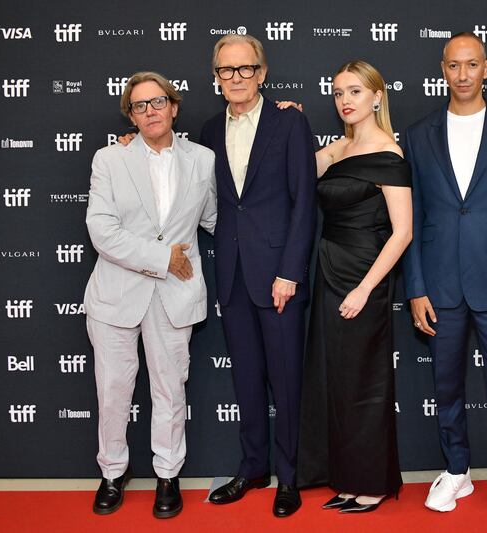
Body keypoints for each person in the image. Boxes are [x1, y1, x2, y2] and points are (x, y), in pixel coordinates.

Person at [402, 33, 487, 528]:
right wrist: (415, 286)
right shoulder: (418, 135)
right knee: (446, 386)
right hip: (439, 286)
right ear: (442, 69)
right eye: (453, 66)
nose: (462, 75)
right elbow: (411, 221)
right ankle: (456, 469)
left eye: (472, 65)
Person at [85, 71, 217, 519]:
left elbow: (218, 219)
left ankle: (168, 474)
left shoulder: (203, 159)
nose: (150, 111)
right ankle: (112, 473)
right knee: (114, 390)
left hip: (174, 297)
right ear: (131, 115)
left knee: (169, 389)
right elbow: (102, 231)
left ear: (174, 106)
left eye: (157, 101)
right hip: (116, 296)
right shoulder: (109, 159)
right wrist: (162, 258)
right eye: (139, 105)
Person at [200, 34, 317, 518]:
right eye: (226, 71)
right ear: (216, 78)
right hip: (231, 275)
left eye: (245, 69)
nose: (236, 78)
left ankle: (288, 477)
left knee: (286, 382)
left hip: (278, 278)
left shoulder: (290, 122)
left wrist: (289, 271)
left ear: (262, 73)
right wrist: (128, 145)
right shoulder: (207, 131)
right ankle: (253, 468)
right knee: (246, 380)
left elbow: (304, 202)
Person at [296, 60, 412, 513]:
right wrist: (284, 119)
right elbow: (286, 168)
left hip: (367, 273)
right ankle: (344, 476)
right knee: (335, 378)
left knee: (366, 379)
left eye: (355, 92)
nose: (345, 100)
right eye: (339, 92)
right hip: (329, 268)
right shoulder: (335, 149)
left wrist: (365, 289)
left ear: (377, 97)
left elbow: (402, 232)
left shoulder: (390, 153)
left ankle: (374, 482)